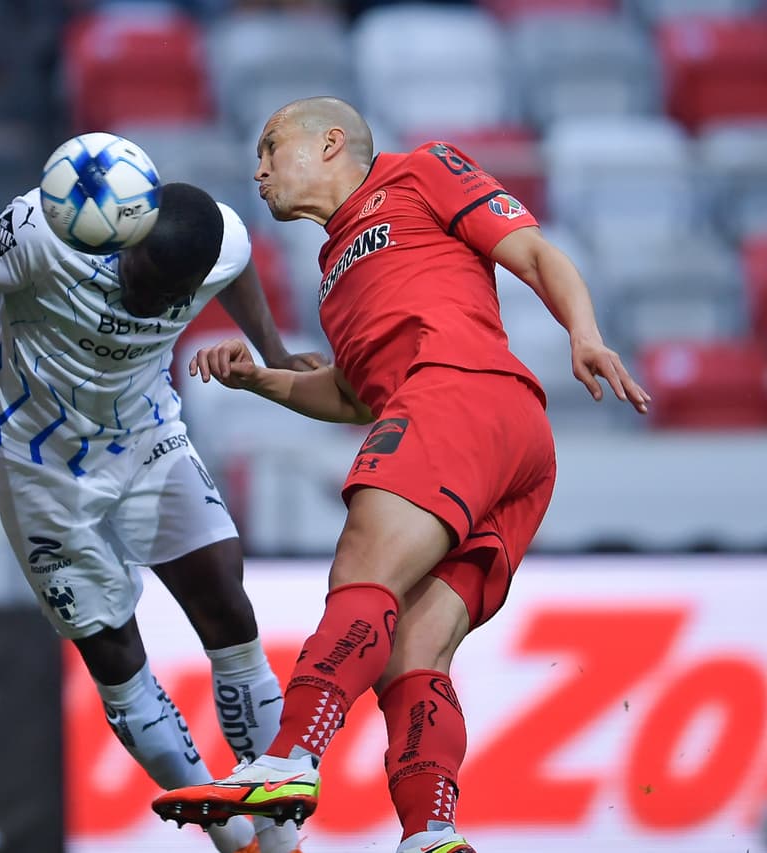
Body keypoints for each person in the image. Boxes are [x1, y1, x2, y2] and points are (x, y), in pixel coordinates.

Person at [152, 97, 651, 853]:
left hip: (462, 394)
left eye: (270, 147)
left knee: (363, 568)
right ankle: (431, 832)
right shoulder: (333, 269)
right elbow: (358, 396)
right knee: (412, 653)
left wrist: (583, 332)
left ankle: (289, 760)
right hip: (505, 443)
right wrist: (260, 380)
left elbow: (533, 252)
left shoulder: (423, 170)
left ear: (330, 143)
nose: (258, 170)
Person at [0, 178, 323, 853]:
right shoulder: (49, 227)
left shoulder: (222, 242)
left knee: (228, 608)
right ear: (125, 241)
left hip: (145, 434)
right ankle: (235, 842)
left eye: (167, 293)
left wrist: (275, 352)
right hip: (38, 462)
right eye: (138, 277)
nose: (145, 299)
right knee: (115, 656)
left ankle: (282, 846)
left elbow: (237, 265)